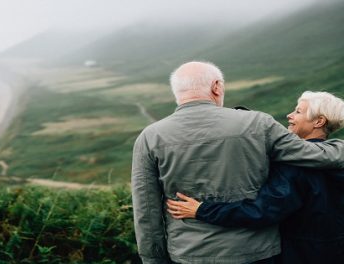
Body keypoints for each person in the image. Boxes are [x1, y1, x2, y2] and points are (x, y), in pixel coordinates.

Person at [131, 61, 344, 264]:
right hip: (258, 252)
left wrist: (154, 259)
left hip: (188, 254)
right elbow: (316, 155)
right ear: (216, 87)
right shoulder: (258, 124)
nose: (290, 115)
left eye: (298, 111)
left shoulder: (149, 137)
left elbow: (146, 212)